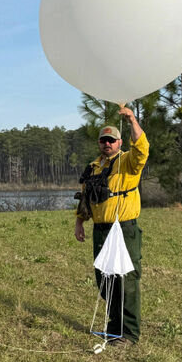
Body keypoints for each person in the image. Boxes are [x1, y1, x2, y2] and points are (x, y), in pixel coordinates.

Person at [74, 106, 148, 345]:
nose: (107, 144)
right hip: (101, 230)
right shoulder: (93, 166)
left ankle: (129, 333)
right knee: (105, 279)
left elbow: (142, 149)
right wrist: (79, 223)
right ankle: (114, 328)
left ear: (119, 142)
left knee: (126, 280)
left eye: (112, 140)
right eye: (104, 140)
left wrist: (131, 119)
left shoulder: (128, 162)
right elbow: (85, 198)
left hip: (123, 229)